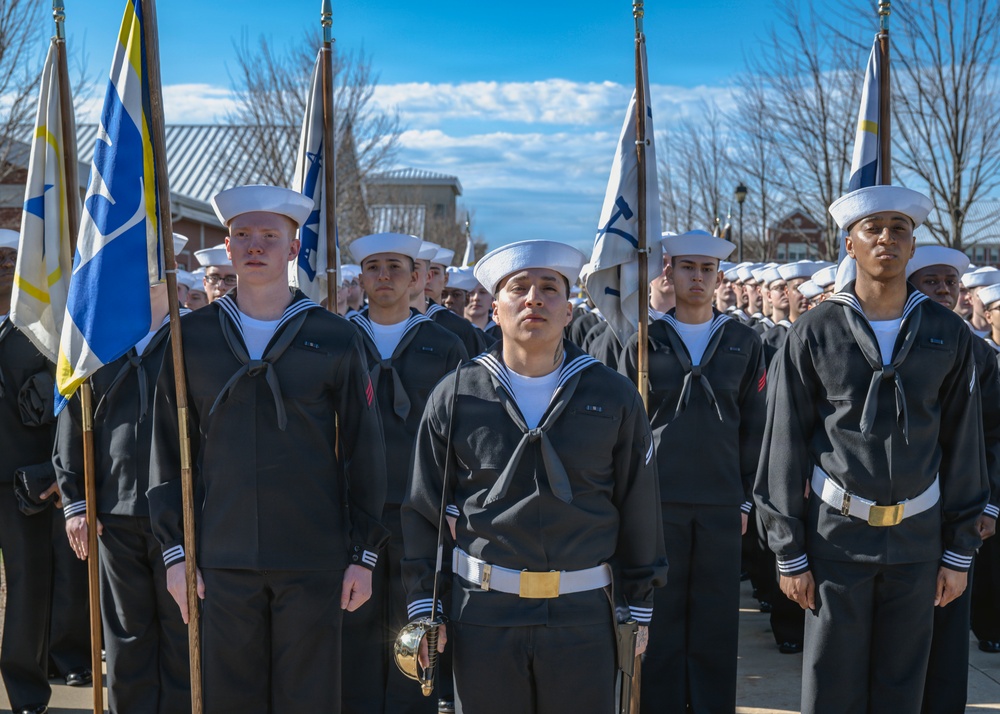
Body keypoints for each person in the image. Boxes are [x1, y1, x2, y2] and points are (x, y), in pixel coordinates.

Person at [147, 185, 389, 713]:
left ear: (293, 247)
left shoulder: (336, 336)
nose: (255, 246)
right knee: (228, 701)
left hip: (314, 557)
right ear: (228, 248)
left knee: (310, 700)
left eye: (269, 237)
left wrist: (363, 555)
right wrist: (175, 551)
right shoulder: (191, 338)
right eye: (243, 236)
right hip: (219, 560)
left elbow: (364, 453)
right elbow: (168, 449)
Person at [402, 239, 667, 714]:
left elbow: (639, 504)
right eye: (518, 288)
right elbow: (423, 509)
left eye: (549, 289)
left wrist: (639, 603)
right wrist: (426, 604)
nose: (534, 299)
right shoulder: (457, 393)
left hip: (583, 614)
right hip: (483, 612)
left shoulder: (614, 394)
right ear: (497, 309)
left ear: (569, 311)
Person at [754, 185, 989, 714]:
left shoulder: (947, 333)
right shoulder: (814, 331)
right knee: (832, 684)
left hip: (917, 542)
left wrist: (959, 550)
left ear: (912, 247)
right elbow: (785, 444)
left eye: (899, 230)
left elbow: (963, 444)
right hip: (836, 541)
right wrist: (788, 549)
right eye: (873, 229)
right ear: (849, 244)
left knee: (902, 688)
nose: (887, 238)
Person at [619, 230, 764, 712]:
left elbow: (755, 425)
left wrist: (746, 495)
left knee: (716, 618)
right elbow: (623, 428)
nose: (697, 278)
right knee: (658, 619)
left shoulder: (743, 340)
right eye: (687, 267)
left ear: (719, 276)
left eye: (706, 269)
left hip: (722, 503)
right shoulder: (644, 340)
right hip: (658, 501)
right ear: (669, 271)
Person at [55, 236, 192, 711]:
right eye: (138, 260)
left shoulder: (198, 337)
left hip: (183, 516)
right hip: (115, 513)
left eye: (158, 261)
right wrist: (75, 501)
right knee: (126, 640)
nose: (148, 271)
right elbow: (73, 422)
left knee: (183, 636)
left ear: (174, 266)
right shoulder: (99, 339)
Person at [342, 232, 467, 714]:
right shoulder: (339, 338)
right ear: (361, 277)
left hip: (423, 511)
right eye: (373, 267)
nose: (384, 276)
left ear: (417, 277)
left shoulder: (446, 345)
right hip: (353, 512)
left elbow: (462, 433)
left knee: (416, 635)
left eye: (395, 266)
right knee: (354, 629)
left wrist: (453, 502)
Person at [906, 246, 1000, 713]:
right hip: (900, 513)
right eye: (931, 281)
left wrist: (990, 504)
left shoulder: (981, 354)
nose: (944, 290)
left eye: (951, 282)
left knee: (947, 628)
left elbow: (995, 438)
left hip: (957, 510)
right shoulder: (893, 347)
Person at [0, 228, 59, 714]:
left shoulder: (47, 329)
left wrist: (54, 471)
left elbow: (71, 407)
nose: (2, 265)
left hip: (22, 482)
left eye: (9, 258)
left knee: (28, 590)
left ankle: (25, 694)